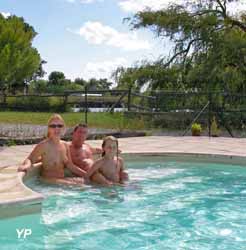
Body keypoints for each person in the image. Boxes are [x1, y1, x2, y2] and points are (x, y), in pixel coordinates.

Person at [18, 114, 86, 186]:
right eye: (53, 126)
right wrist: (26, 165)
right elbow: (30, 159)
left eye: (60, 126)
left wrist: (86, 175)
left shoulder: (65, 145)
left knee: (85, 182)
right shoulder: (44, 145)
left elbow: (70, 165)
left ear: (63, 128)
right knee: (81, 187)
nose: (57, 128)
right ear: (49, 129)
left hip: (61, 180)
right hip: (48, 182)